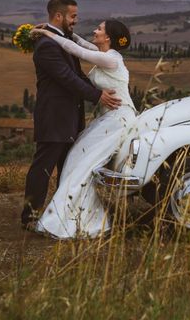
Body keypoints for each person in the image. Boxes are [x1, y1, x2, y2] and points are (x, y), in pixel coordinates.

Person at [21, 0, 121, 230]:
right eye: (72, 16)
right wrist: (97, 96)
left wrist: (99, 89)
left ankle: (61, 213)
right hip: (55, 116)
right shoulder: (46, 46)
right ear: (59, 16)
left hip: (70, 116)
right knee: (43, 168)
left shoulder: (60, 38)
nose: (76, 20)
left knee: (68, 167)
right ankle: (30, 216)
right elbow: (66, 79)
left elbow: (77, 73)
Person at [32, 18, 137, 239]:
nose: (95, 31)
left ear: (107, 37)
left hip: (117, 120)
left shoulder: (111, 60)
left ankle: (69, 219)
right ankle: (76, 213)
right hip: (108, 119)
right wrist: (64, 33)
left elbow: (75, 50)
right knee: (77, 161)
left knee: (81, 163)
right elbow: (80, 43)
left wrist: (48, 35)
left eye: (99, 29)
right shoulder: (107, 54)